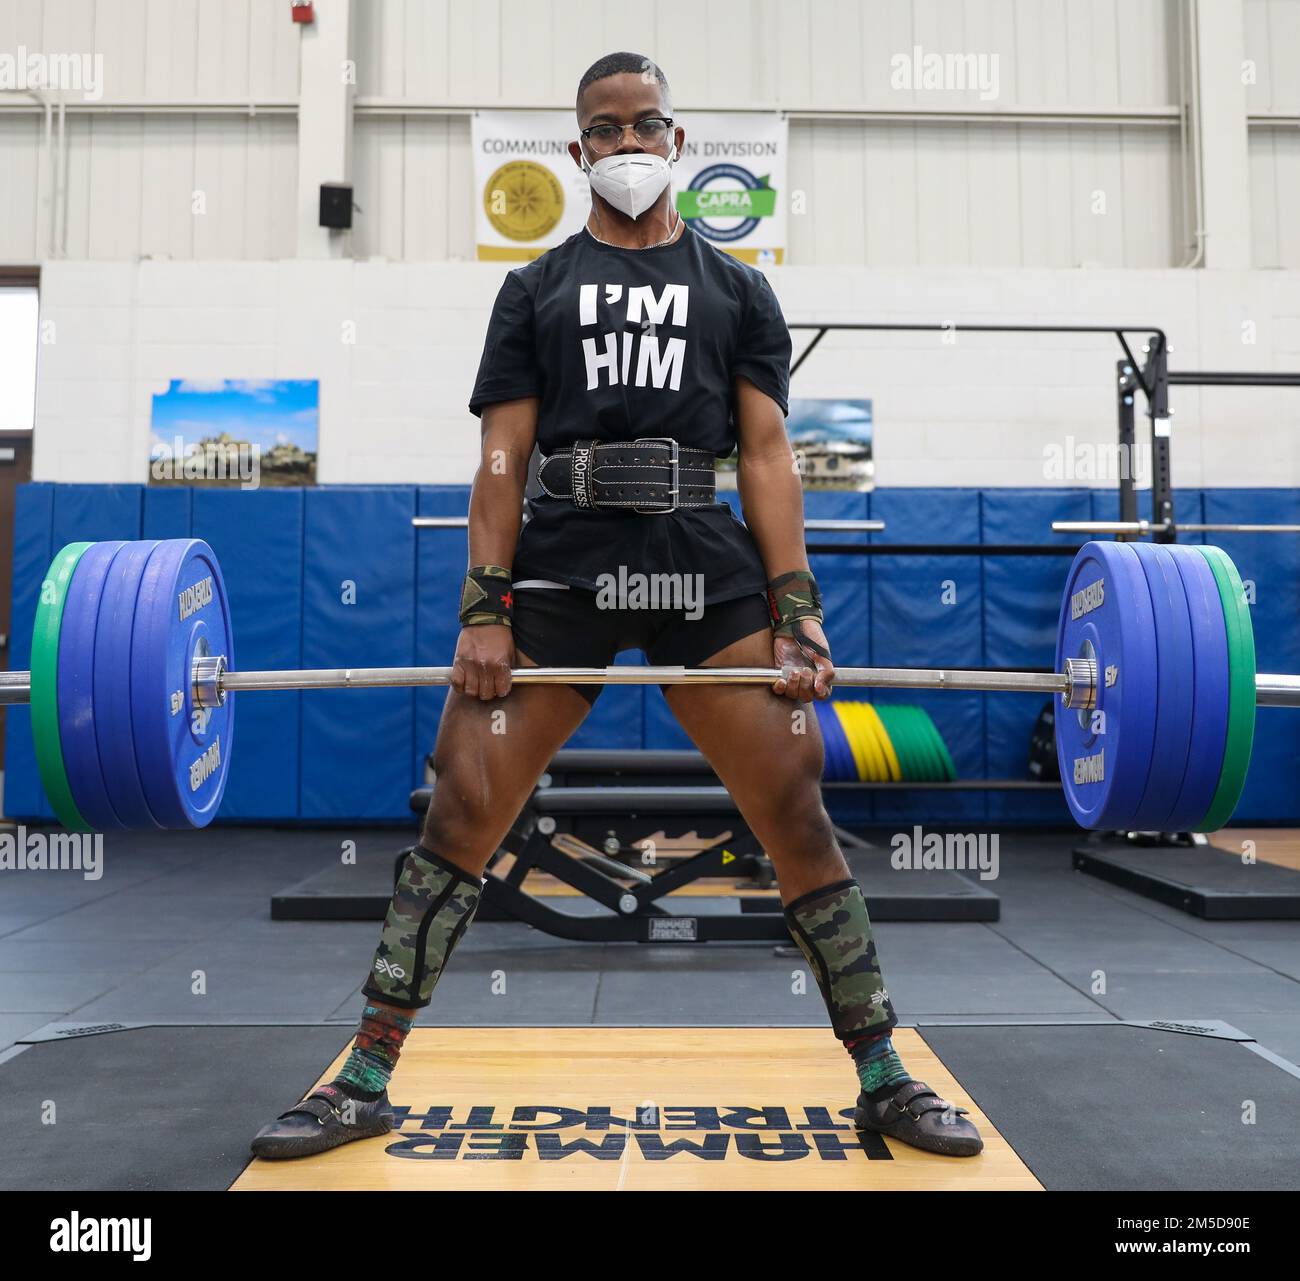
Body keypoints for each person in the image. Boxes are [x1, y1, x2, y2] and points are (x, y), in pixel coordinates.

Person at [251, 51, 982, 1161]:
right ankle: (363, 1076)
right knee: (461, 800)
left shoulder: (737, 288)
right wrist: (483, 611)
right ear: (578, 145)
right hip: (568, 555)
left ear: (677, 141)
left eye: (648, 125)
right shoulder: (533, 287)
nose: (629, 145)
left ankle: (883, 1074)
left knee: (793, 799)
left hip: (700, 551)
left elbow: (771, 453)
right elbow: (501, 461)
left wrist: (798, 607)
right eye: (606, 128)